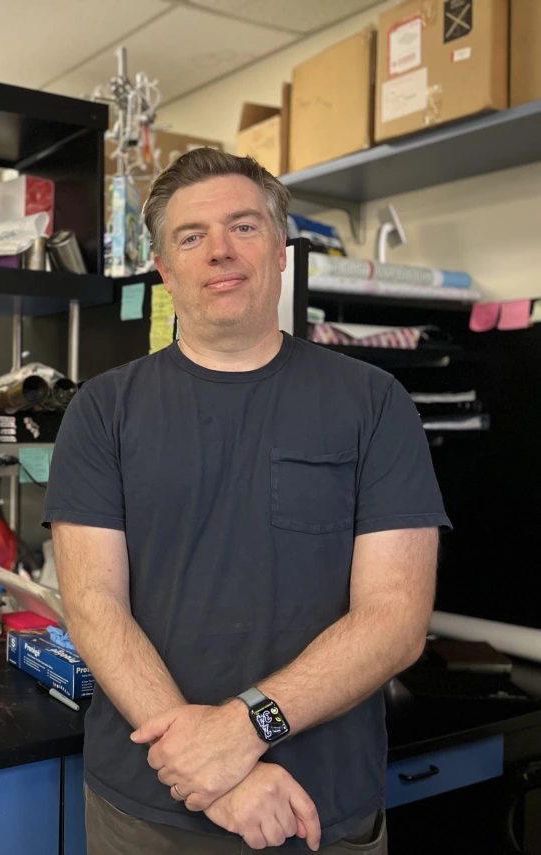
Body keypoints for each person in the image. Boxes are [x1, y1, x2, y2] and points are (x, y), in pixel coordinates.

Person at [42, 148, 450, 853]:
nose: (220, 252)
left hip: (320, 808)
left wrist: (242, 728)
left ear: (282, 249)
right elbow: (94, 606)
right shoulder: (103, 409)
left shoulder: (374, 402)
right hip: (147, 809)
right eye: (191, 236)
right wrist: (216, 772)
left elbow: (396, 618)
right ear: (165, 270)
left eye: (244, 226)